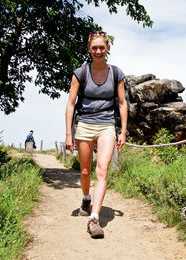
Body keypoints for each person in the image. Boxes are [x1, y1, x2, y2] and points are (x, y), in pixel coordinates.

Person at [65, 31, 127, 238]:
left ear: (108, 48)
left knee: (102, 171)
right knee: (85, 171)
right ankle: (86, 198)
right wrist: (68, 133)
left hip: (107, 125)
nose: (98, 51)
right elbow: (71, 103)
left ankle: (94, 218)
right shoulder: (80, 73)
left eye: (102, 47)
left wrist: (123, 131)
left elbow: (121, 103)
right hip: (84, 124)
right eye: (95, 48)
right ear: (89, 49)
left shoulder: (116, 74)